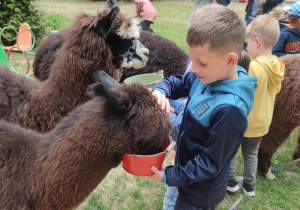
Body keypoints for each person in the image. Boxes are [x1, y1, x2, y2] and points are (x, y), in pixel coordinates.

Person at [145, 4, 257, 209]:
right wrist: (161, 89)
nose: (194, 69)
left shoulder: (230, 111)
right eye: (192, 60)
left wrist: (169, 176)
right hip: (187, 176)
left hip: (200, 193)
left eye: (202, 63)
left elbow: (209, 164)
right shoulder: (206, 75)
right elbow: (177, 82)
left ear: (230, 59)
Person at [227, 14, 285, 197]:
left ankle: (231, 183)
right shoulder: (277, 64)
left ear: (257, 42)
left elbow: (241, 89)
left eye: (247, 43)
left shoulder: (254, 67)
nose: (246, 47)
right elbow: (275, 90)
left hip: (245, 121)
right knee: (251, 154)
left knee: (230, 151)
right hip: (262, 122)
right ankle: (249, 186)